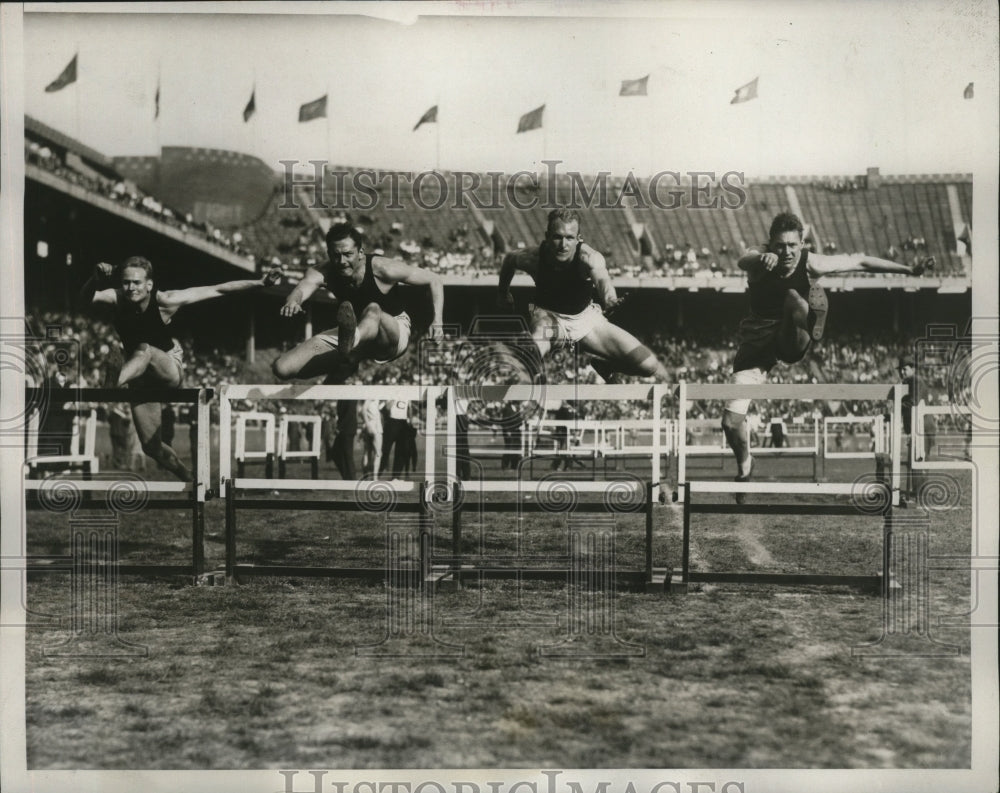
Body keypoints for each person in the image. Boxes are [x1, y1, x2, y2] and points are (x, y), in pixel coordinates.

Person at [720, 212, 933, 500]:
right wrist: (761, 258)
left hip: (791, 337)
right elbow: (743, 260)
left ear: (802, 243)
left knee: (794, 298)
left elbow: (860, 261)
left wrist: (909, 270)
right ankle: (745, 464)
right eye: (780, 246)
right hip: (756, 346)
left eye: (792, 245)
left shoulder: (812, 263)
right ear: (771, 243)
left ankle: (814, 319)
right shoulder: (760, 256)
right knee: (730, 423)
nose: (786, 252)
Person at [82, 256, 279, 480]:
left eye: (137, 283)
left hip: (167, 367)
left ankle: (112, 385)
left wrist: (260, 283)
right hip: (139, 376)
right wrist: (94, 279)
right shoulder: (117, 297)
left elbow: (218, 289)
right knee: (151, 447)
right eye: (126, 282)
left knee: (145, 349)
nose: (131, 288)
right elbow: (86, 298)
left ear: (149, 284)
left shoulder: (166, 300)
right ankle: (189, 477)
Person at [497, 208, 670, 383]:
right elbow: (509, 260)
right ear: (547, 237)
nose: (563, 245)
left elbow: (603, 280)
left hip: (586, 321)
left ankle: (607, 366)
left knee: (649, 365)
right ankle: (532, 364)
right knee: (541, 332)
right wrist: (503, 293)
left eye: (569, 238)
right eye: (557, 237)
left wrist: (609, 299)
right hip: (550, 319)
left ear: (578, 239)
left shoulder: (588, 257)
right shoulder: (533, 258)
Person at [272, 223, 444, 383]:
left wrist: (437, 321)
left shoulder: (384, 268)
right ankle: (349, 358)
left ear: (360, 252)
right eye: (336, 256)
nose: (342, 262)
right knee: (282, 368)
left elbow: (434, 280)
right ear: (329, 254)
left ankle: (350, 349)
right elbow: (302, 288)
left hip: (392, 333)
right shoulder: (324, 271)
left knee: (373, 309)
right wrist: (294, 301)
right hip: (354, 331)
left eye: (348, 254)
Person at [361, 398, 383, 478]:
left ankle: (366, 477)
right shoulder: (372, 394)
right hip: (375, 426)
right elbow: (363, 409)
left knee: (367, 452)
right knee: (378, 453)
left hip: (369, 425)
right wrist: (368, 424)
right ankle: (374, 478)